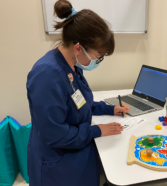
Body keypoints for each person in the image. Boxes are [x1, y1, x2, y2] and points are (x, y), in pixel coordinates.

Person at [26, 0, 129, 185]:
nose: (98, 61)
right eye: (98, 57)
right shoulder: (47, 74)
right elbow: (55, 133)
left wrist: (110, 109)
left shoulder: (72, 65)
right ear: (78, 48)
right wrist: (96, 130)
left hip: (75, 150)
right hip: (57, 164)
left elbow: (80, 103)